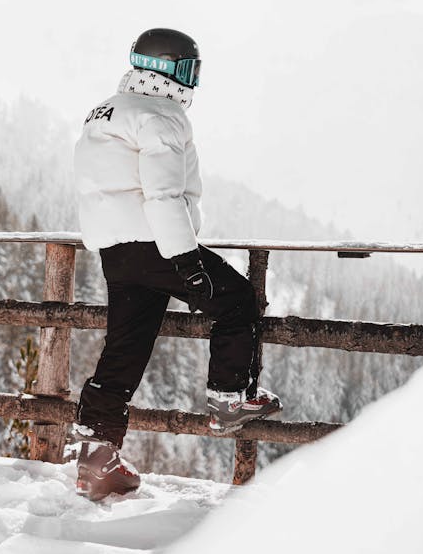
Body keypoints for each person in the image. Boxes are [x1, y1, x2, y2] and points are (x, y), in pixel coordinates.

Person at [73, 28, 282, 501]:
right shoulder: (162, 115)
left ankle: (96, 456)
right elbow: (162, 194)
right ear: (166, 68)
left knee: (124, 348)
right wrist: (187, 259)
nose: (192, 82)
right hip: (157, 243)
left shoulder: (104, 110)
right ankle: (230, 399)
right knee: (234, 301)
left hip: (116, 250)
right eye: (189, 69)